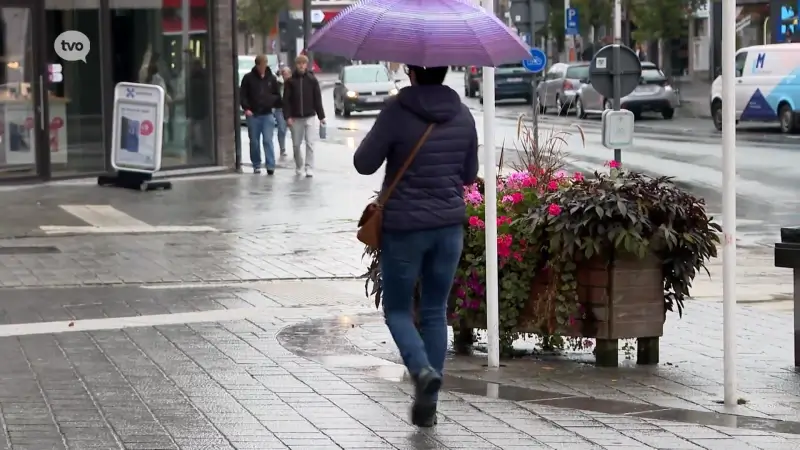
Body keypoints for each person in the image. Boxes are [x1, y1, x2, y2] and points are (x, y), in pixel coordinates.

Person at [352, 65, 478, 427]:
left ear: (411, 72)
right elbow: (469, 175)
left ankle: (421, 369)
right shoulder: (463, 113)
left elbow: (364, 163)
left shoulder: (397, 110)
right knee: (437, 310)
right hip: (449, 227)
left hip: (405, 228)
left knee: (398, 310)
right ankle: (429, 404)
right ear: (444, 71)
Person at [283, 54, 325, 177]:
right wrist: (288, 116)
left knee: (310, 143)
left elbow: (317, 99)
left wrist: (321, 116)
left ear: (306, 65)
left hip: (309, 116)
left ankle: (309, 167)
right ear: (296, 65)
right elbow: (286, 100)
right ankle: (299, 165)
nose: (301, 65)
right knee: (296, 144)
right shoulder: (290, 82)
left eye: (303, 63)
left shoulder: (312, 80)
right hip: (295, 118)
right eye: (299, 63)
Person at [240, 54, 281, 174]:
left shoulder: (271, 79)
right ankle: (256, 164)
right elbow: (243, 95)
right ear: (257, 65)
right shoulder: (248, 78)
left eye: (265, 65)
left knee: (268, 140)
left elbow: (277, 95)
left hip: (267, 114)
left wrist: (272, 102)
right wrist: (246, 108)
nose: (263, 67)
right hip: (253, 114)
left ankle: (270, 165)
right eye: (261, 65)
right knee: (254, 141)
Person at [275, 66, 292, 159]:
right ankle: (282, 148)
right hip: (280, 109)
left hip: (291, 109)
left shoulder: (293, 83)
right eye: (283, 74)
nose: (285, 76)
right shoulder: (278, 84)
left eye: (287, 74)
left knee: (294, 130)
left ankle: (295, 147)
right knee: (282, 128)